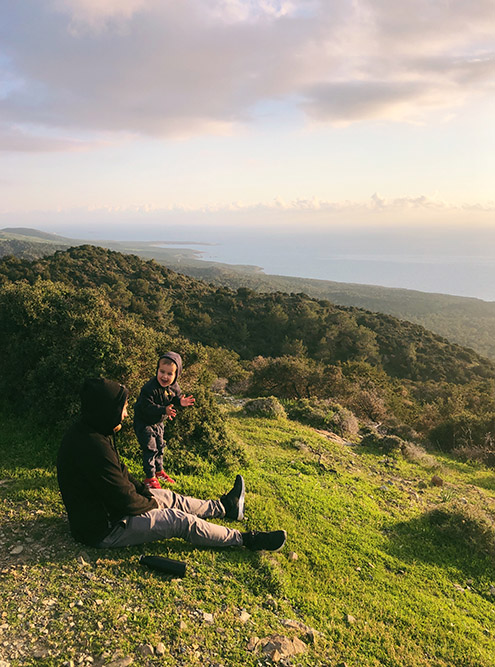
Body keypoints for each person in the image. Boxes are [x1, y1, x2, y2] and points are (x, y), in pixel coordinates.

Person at [56, 377, 287, 552]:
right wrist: (151, 505)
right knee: (178, 520)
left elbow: (122, 475)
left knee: (167, 496)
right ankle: (246, 539)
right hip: (104, 529)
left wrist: (147, 493)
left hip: (110, 510)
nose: (125, 414)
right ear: (107, 410)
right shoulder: (91, 446)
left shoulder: (94, 431)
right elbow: (123, 499)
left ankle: (225, 507)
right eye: (123, 408)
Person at [133, 351, 194, 489]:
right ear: (157, 370)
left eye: (169, 374)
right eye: (162, 372)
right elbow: (146, 407)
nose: (165, 376)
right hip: (144, 422)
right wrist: (164, 410)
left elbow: (174, 398)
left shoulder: (173, 386)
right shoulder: (149, 388)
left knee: (160, 447)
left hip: (158, 422)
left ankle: (159, 471)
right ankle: (150, 477)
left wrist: (180, 401)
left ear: (176, 374)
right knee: (150, 448)